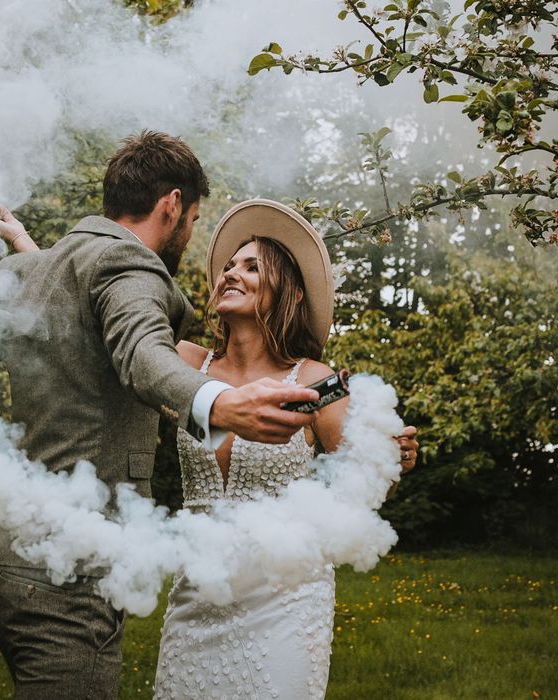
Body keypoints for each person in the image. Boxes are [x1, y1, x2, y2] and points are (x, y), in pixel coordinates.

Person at [0, 133, 325, 700]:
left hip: (5, 563)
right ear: (172, 205)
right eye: (192, 219)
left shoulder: (49, 268)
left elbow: (69, 314)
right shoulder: (132, 264)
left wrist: (27, 253)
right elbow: (141, 354)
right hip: (70, 567)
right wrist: (219, 402)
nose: (191, 234)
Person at [152, 199, 418, 700]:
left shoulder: (315, 382)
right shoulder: (185, 362)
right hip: (198, 592)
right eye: (230, 265)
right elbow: (110, 327)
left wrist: (392, 455)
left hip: (286, 601)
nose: (232, 273)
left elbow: (361, 484)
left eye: (252, 266)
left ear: (288, 292)